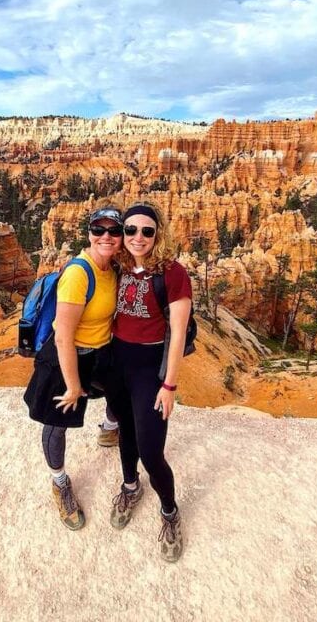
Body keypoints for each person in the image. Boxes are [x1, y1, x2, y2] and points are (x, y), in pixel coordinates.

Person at [23, 206, 123, 530]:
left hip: (100, 350)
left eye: (114, 230)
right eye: (99, 229)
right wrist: (72, 385)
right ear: (89, 233)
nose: (106, 236)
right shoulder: (79, 273)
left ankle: (109, 431)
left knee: (124, 389)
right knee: (58, 421)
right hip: (67, 355)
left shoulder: (113, 269)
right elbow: (64, 337)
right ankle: (60, 482)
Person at [106, 201, 192, 562]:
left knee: (151, 450)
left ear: (158, 234)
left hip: (149, 368)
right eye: (130, 230)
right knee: (126, 431)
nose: (138, 237)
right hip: (117, 362)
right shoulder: (119, 265)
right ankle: (130, 486)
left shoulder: (173, 273)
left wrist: (169, 384)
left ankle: (170, 511)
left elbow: (178, 332)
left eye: (147, 231)